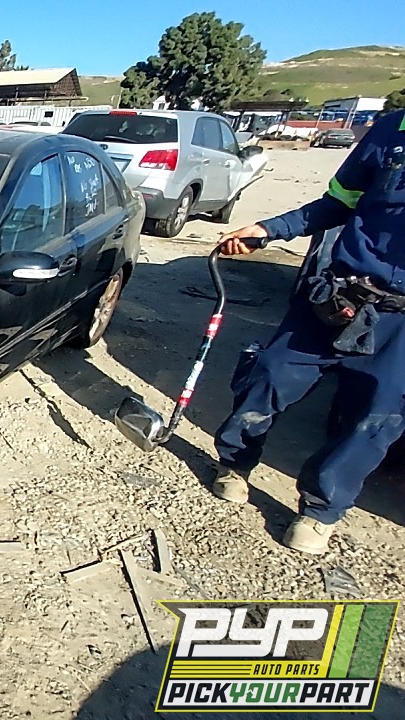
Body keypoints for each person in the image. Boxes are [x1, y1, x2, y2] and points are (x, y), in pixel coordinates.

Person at [211, 109, 405, 554]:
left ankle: (319, 510)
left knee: (375, 417)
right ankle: (235, 464)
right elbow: (338, 203)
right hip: (341, 297)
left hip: (401, 324)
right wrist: (270, 229)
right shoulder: (390, 130)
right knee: (268, 373)